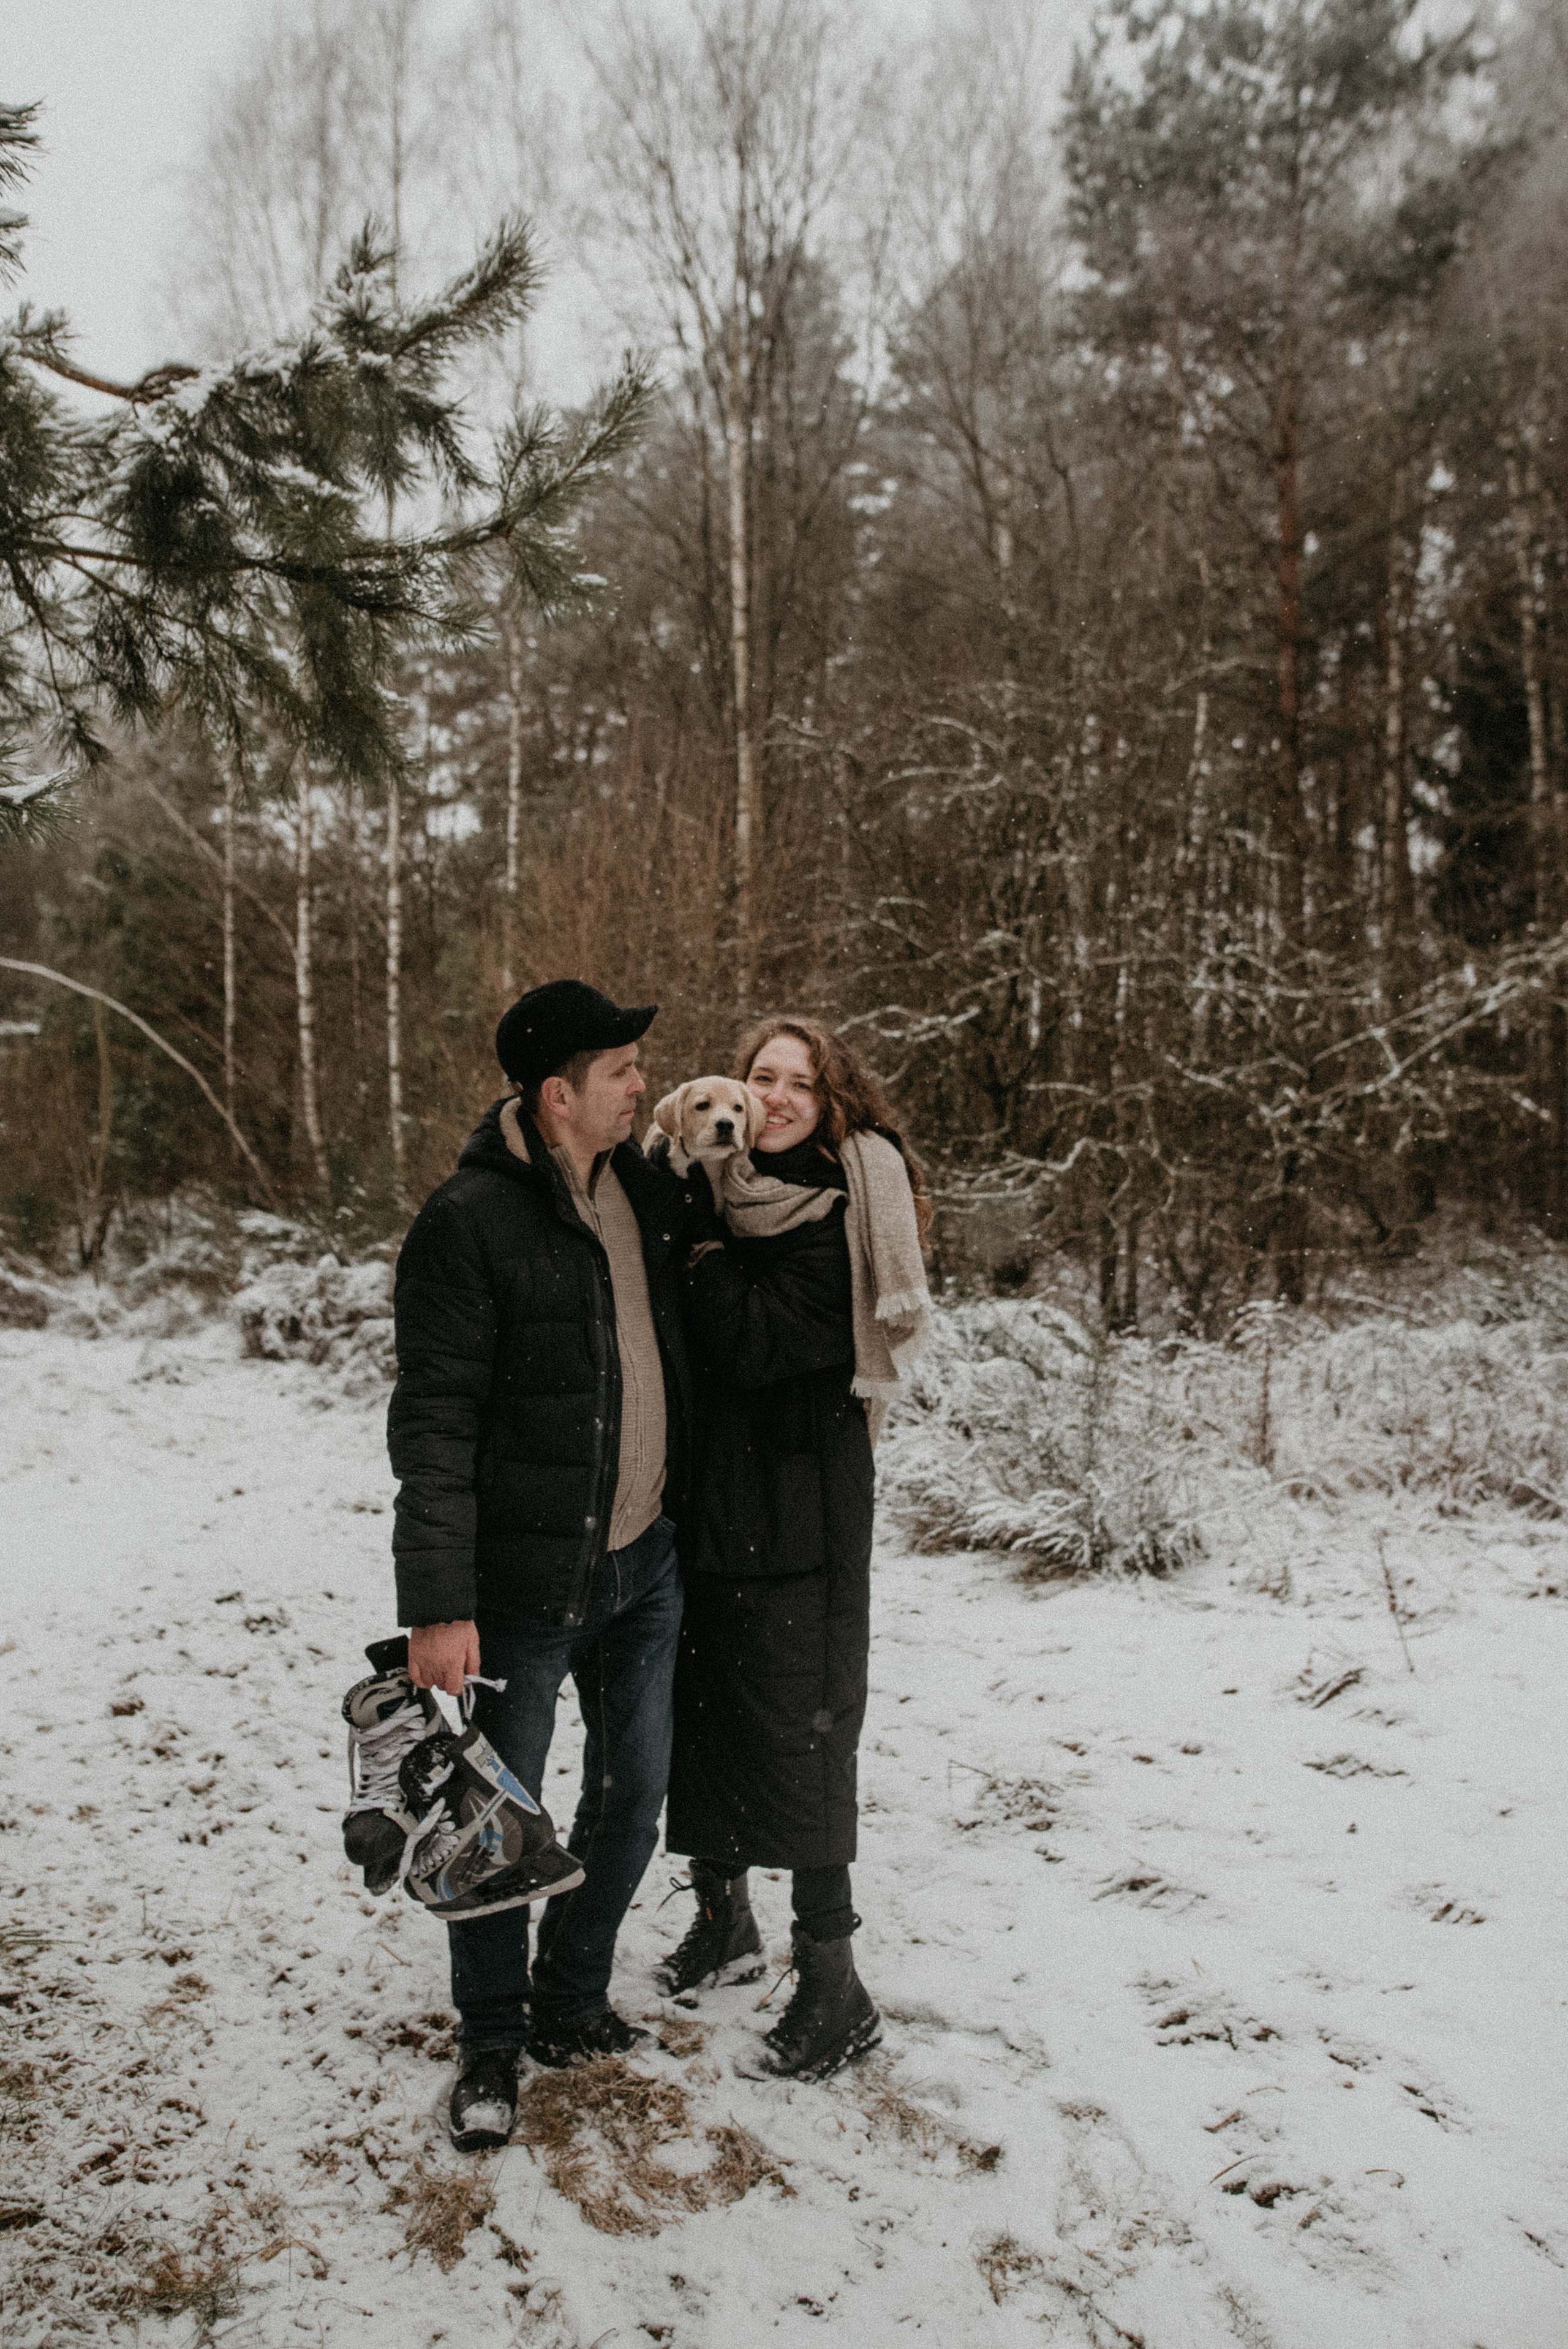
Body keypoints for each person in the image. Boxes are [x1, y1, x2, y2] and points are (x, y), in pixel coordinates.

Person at [386, 979, 706, 2151]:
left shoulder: (648, 1194)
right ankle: (488, 2043)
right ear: (558, 1093)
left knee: (630, 1803)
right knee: (492, 1833)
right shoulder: (469, 1221)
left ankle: (571, 1998)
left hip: (644, 1568)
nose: (642, 1086)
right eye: (621, 1070)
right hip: (520, 1591)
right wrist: (438, 1605)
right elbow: (432, 1423)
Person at [658, 1016, 932, 2081]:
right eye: (759, 1078)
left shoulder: (837, 1211)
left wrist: (702, 1251)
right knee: (710, 1712)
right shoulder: (716, 1188)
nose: (772, 1099)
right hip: (717, 1504)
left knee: (807, 1729)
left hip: (805, 1513)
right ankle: (724, 1919)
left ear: (832, 1102)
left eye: (798, 1085)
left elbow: (753, 1339)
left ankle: (834, 1984)